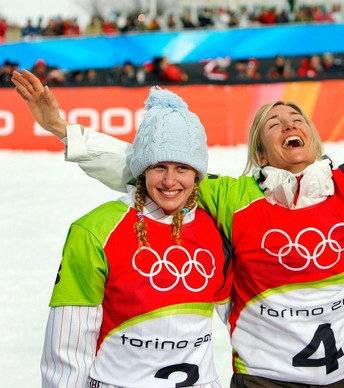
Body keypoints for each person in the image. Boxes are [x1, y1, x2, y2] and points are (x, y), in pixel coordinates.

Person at [12, 52, 344, 387]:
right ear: (261, 149)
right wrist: (63, 129)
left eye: (297, 117)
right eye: (274, 123)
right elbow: (150, 167)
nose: (289, 122)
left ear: (315, 136)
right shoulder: (232, 197)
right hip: (261, 381)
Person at [37, 87, 231, 387]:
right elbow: (68, 350)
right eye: (158, 167)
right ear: (141, 171)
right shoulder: (95, 230)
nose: (169, 181)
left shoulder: (215, 226)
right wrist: (61, 130)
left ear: (197, 174)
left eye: (182, 167)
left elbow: (245, 318)